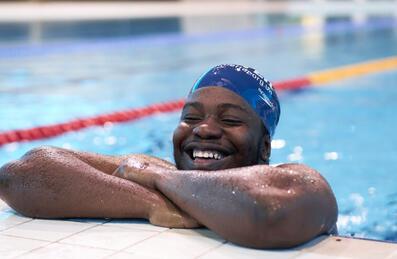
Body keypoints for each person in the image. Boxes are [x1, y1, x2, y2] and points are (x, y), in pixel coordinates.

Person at [0, 64, 338, 249]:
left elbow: (269, 212)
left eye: (231, 119)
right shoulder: (157, 177)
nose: (203, 130)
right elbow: (22, 172)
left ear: (264, 146)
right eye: (190, 117)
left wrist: (162, 179)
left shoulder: (296, 181)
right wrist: (153, 204)